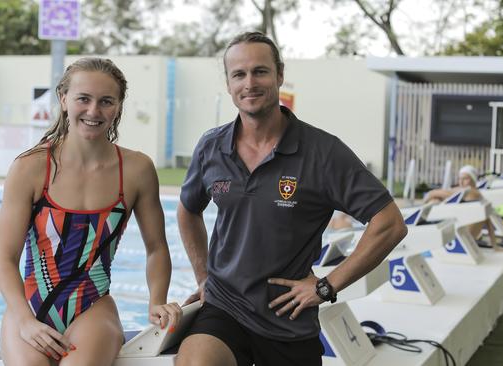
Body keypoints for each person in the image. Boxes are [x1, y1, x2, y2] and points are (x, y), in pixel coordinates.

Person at [174, 32, 408, 366]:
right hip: (225, 308)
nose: (249, 83)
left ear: (280, 74)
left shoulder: (323, 152)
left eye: (260, 71)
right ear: (228, 84)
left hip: (287, 322)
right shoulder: (211, 147)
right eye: (238, 74)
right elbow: (187, 211)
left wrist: (327, 286)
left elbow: (390, 223)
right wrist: (203, 277)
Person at [0, 57, 182, 366]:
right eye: (84, 99)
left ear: (119, 106)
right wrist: (24, 320)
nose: (94, 111)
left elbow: (157, 248)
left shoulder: (136, 170)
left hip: (93, 307)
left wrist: (156, 300)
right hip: (29, 308)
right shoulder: (30, 168)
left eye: (106, 101)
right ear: (64, 99)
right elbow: (4, 258)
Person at [424, 165, 503, 250]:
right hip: (469, 237)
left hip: (462, 239)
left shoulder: (470, 192)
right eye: (459, 179)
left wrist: (429, 200)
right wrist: (494, 245)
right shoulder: (479, 195)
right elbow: (488, 219)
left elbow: (432, 193)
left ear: (473, 179)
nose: (461, 182)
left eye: (465, 179)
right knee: (437, 201)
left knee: (435, 200)